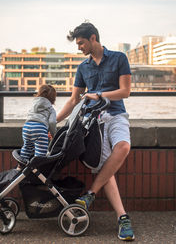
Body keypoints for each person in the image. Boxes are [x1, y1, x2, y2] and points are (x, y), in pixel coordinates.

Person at [56, 22, 134, 241]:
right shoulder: (83, 67)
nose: (79, 47)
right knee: (103, 165)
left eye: (81, 43)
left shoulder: (119, 58)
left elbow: (125, 92)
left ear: (93, 38)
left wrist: (99, 95)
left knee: (124, 146)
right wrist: (53, 121)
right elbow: (73, 100)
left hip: (117, 114)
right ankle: (123, 218)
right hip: (93, 120)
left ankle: (90, 195)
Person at [15, 84, 57, 168]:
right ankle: (37, 170)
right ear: (53, 98)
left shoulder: (33, 104)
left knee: (26, 148)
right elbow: (52, 122)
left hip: (26, 127)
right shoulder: (51, 109)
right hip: (39, 129)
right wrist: (54, 135)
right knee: (40, 155)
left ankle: (20, 167)